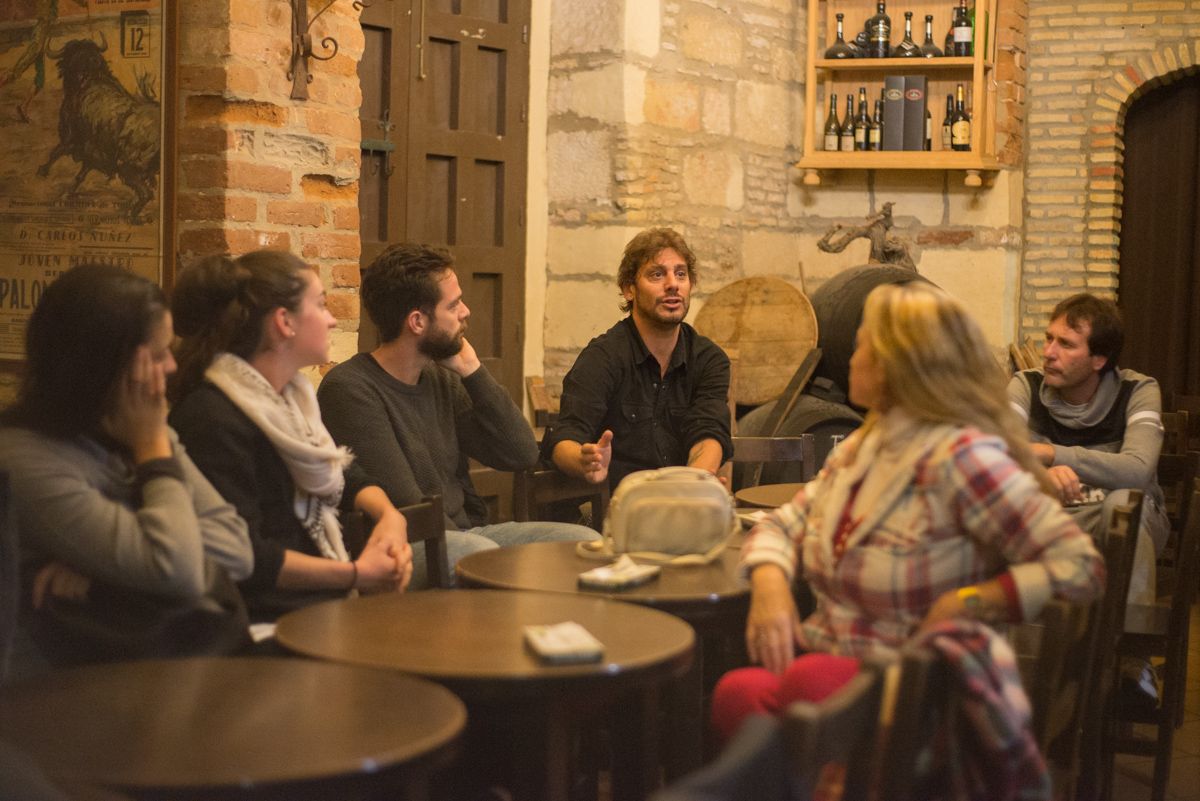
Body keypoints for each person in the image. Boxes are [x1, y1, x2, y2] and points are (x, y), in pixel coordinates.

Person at [712, 283, 1104, 742]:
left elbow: (1081, 566)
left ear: (896, 366)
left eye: (860, 347)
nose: (850, 359)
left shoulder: (964, 458)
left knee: (802, 686)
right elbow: (782, 523)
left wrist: (968, 600)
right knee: (739, 691)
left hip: (921, 691)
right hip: (840, 665)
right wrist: (770, 581)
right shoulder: (865, 446)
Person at [0, 264, 254, 678]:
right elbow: (181, 571)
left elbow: (237, 549)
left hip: (156, 674)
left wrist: (103, 576)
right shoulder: (25, 459)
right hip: (58, 695)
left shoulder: (137, 428)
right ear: (104, 364)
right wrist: (154, 452)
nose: (171, 366)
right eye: (157, 355)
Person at [317, 244, 597, 587]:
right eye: (453, 305)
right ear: (417, 322)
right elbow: (408, 504)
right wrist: (493, 556)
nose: (466, 312)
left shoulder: (441, 378)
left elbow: (520, 453)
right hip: (407, 545)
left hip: (468, 535)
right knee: (481, 557)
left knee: (581, 546)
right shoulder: (349, 389)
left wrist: (473, 371)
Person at [168, 251, 413, 622]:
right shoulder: (212, 416)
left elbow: (344, 474)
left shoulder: (291, 397)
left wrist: (390, 519)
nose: (332, 320)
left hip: (316, 608)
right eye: (321, 305)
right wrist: (358, 574)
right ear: (284, 322)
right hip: (261, 622)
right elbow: (248, 556)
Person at [1007, 293, 1167, 605]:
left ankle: (1130, 648)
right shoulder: (1024, 385)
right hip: (1050, 516)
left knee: (1124, 505)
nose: (1049, 353)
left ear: (1099, 359)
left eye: (1066, 344)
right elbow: (994, 454)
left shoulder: (1138, 391)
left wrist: (1052, 454)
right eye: (1048, 338)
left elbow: (1137, 469)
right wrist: (1040, 472)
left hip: (1117, 519)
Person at [546, 227, 733, 489]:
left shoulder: (708, 359)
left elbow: (708, 431)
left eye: (681, 274)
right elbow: (564, 439)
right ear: (629, 289)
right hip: (615, 508)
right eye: (657, 274)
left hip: (680, 501)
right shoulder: (603, 358)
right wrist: (585, 460)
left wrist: (693, 485)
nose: (672, 284)